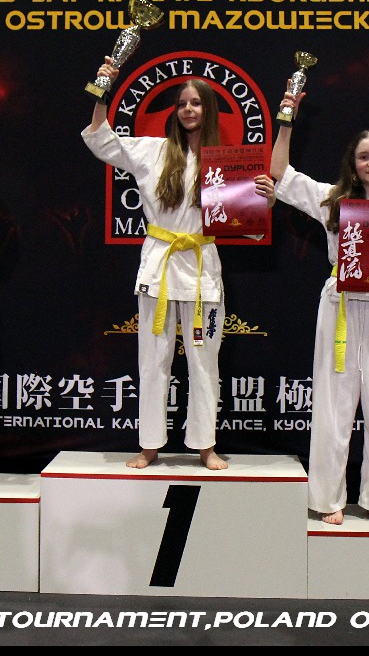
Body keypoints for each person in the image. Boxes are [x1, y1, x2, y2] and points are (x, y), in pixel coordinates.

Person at [83, 59, 269, 470]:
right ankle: (150, 444)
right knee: (152, 359)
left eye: (196, 103)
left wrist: (263, 200)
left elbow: (249, 225)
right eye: (182, 103)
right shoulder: (152, 151)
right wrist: (103, 90)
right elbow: (100, 140)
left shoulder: (227, 163)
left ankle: (205, 445)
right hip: (159, 265)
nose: (188, 109)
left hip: (202, 267)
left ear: (209, 110)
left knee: (205, 362)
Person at [270, 85, 369, 525]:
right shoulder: (333, 199)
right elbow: (280, 175)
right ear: (353, 164)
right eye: (364, 156)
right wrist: (286, 120)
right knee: (334, 406)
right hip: (340, 306)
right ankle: (328, 499)